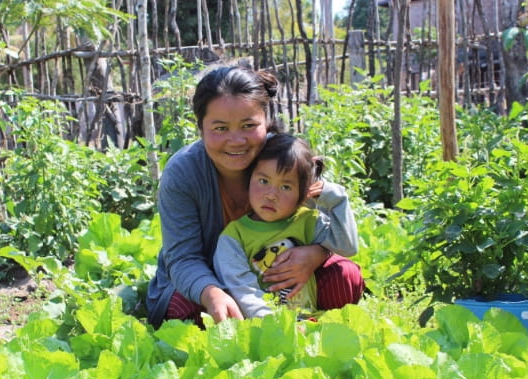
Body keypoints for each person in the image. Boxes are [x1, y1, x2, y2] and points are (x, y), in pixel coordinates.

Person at [146, 66, 365, 328]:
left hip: (280, 275)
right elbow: (183, 258)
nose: (236, 140)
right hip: (213, 276)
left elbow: (330, 226)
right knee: (185, 310)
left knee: (345, 276)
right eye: (220, 128)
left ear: (265, 121)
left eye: (248, 125)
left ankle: (308, 328)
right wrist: (211, 292)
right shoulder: (183, 173)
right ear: (200, 127)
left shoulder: (285, 158)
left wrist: (317, 254)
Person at [213, 133, 359, 318]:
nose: (271, 195)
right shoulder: (234, 236)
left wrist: (336, 199)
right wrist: (276, 326)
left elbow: (347, 246)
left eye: (286, 187)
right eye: (264, 181)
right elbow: (242, 290)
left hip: (310, 323)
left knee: (344, 272)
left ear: (303, 192)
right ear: (248, 179)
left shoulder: (308, 221)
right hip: (262, 329)